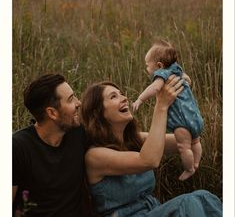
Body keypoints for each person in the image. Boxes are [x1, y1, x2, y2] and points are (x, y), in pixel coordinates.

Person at [81, 78, 222, 217]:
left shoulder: (134, 140)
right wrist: (161, 106)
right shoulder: (94, 156)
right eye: (113, 97)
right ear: (97, 113)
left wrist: (181, 98)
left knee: (203, 198)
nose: (124, 98)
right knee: (189, 203)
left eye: (122, 93)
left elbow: (189, 141)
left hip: (154, 210)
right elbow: (149, 161)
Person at [12, 74, 92, 217]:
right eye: (71, 99)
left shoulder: (79, 133)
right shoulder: (17, 147)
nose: (78, 102)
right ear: (52, 113)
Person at [132, 40, 204, 181]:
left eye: (148, 65)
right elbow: (188, 80)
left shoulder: (162, 74)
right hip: (195, 117)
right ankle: (196, 162)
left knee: (184, 147)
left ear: (159, 65)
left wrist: (140, 99)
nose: (147, 69)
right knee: (195, 143)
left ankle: (189, 168)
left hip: (182, 123)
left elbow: (154, 88)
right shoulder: (178, 70)